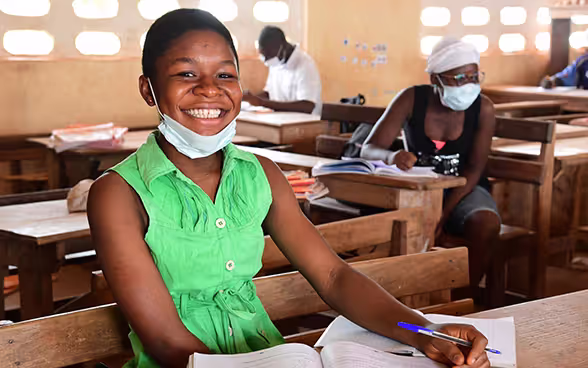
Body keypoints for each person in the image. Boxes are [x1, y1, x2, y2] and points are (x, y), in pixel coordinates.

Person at [88, 11, 490, 368]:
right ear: (148, 90)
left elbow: (333, 276)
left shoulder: (260, 175)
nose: (210, 89)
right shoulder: (119, 194)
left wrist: (424, 332)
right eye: (186, 74)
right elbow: (166, 341)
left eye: (225, 74)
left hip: (269, 355)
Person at [361, 37, 501, 300]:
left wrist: (442, 215)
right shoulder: (412, 99)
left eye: (473, 76)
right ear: (435, 79)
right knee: (384, 226)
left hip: (464, 189)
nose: (468, 85)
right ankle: (396, 297)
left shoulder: (484, 109)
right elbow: (369, 149)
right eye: (458, 78)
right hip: (418, 190)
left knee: (486, 223)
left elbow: (473, 170)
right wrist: (393, 156)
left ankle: (462, 300)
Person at [242, 26, 322, 115]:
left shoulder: (305, 65)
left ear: (282, 46)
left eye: (269, 55)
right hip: (281, 120)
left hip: (305, 124)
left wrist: (261, 102)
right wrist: (248, 99)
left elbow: (307, 106)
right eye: (264, 56)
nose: (266, 60)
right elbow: (269, 93)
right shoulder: (276, 61)